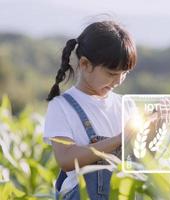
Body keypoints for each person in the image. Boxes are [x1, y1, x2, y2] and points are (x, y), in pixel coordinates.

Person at [43, 20, 137, 200]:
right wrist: (119, 139)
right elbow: (66, 159)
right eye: (112, 74)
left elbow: (140, 162)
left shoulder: (126, 105)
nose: (118, 81)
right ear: (85, 64)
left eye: (124, 73)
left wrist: (154, 131)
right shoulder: (62, 106)